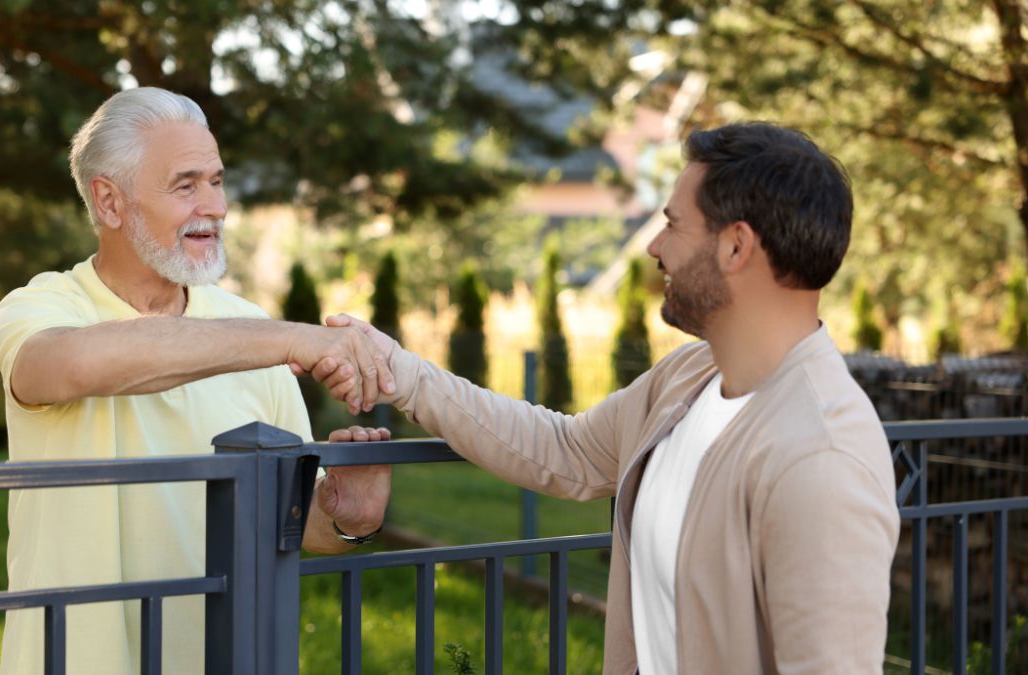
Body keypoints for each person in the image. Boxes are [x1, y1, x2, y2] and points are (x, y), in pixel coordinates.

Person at [314, 123, 901, 673]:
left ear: (735, 247)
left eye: (673, 223)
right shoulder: (688, 378)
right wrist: (403, 372)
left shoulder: (820, 458)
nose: (653, 246)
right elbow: (564, 448)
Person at [0, 87, 393, 674]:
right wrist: (286, 340)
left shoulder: (257, 332)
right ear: (109, 202)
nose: (216, 206)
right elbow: (69, 366)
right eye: (186, 185)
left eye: (217, 180)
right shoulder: (43, 309)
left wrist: (347, 518)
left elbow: (295, 527)